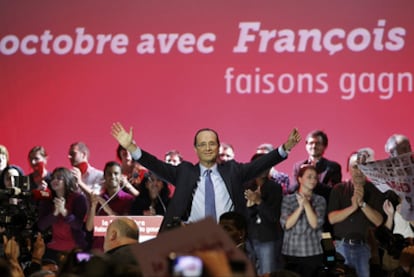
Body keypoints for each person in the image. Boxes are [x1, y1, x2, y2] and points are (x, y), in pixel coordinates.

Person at [111, 122, 301, 232]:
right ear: (195, 149)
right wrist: (131, 147)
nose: (208, 148)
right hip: (192, 237)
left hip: (228, 237)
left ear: (218, 147)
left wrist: (284, 149)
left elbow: (260, 164)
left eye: (212, 143)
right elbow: (155, 165)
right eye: (202, 144)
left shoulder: (233, 170)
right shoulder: (184, 172)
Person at [328, 150, 385, 277]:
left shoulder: (375, 190)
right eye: (355, 166)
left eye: (363, 167)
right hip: (340, 247)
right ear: (348, 168)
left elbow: (378, 221)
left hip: (363, 248)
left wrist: (363, 204)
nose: (359, 171)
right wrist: (353, 208)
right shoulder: (339, 189)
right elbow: (332, 218)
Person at [280, 165, 326, 277]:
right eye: (309, 177)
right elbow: (286, 224)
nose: (313, 180)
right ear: (300, 179)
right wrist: (300, 208)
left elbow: (315, 224)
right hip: (291, 252)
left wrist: (306, 204)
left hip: (313, 251)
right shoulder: (288, 199)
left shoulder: (320, 200)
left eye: (315, 178)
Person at [244, 153, 284, 275]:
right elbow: (242, 215)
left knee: (267, 273)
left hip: (268, 239)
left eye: (268, 166)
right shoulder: (245, 186)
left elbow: (273, 217)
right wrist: (250, 206)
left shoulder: (275, 188)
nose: (264, 169)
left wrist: (259, 201)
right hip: (249, 238)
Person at [37, 167, 88, 262]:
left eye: (59, 178)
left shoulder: (79, 198)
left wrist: (64, 212)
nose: (55, 180)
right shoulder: (47, 199)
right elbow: (41, 225)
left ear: (67, 179)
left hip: (76, 249)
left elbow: (79, 225)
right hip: (52, 249)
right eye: (53, 178)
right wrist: (55, 214)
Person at [85, 161, 136, 251]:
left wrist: (108, 210)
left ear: (121, 177)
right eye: (109, 174)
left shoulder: (128, 199)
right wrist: (93, 206)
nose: (112, 177)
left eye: (116, 174)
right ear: (104, 177)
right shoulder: (99, 198)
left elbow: (126, 227)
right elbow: (89, 227)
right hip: (99, 249)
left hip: (119, 250)